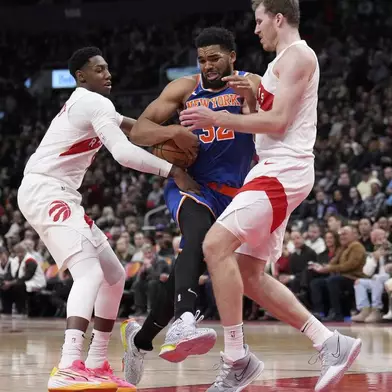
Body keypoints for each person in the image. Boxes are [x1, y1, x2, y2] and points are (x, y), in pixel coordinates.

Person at [179, 1, 361, 390]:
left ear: (278, 19)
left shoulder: (298, 55)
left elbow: (279, 123)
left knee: (215, 246)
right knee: (248, 274)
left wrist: (219, 117)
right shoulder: (275, 64)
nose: (255, 28)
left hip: (285, 169)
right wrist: (250, 98)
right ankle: (331, 343)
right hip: (271, 167)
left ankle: (236, 358)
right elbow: (269, 121)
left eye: (259, 20)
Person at [16, 46, 200, 391]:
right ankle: (70, 364)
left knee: (114, 276)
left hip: (57, 191)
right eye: (98, 69)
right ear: (81, 77)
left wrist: (170, 132)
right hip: (47, 189)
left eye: (107, 68)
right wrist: (173, 169)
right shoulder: (93, 102)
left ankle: (97, 362)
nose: (108, 74)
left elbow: (133, 129)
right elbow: (124, 152)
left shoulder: (91, 105)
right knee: (90, 271)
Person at [120, 27, 258, 385]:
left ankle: (140, 340)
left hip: (236, 192)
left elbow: (273, 127)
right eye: (202, 59)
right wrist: (173, 134)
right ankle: (184, 321)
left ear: (232, 57)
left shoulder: (250, 83)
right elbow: (139, 131)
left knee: (194, 262)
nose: (208, 65)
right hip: (192, 185)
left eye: (215, 58)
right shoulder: (184, 88)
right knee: (194, 238)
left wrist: (254, 104)